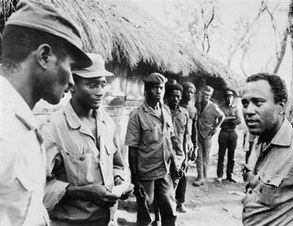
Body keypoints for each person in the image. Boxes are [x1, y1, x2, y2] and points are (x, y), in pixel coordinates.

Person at [0, 1, 92, 225]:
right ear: (44, 56)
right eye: (70, 67)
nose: (72, 81)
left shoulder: (21, 121)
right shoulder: (4, 124)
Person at [41, 53, 132, 226]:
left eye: (103, 84)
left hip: (108, 221)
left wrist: (120, 181)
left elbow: (117, 164)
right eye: (92, 85)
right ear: (72, 86)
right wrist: (81, 192)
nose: (100, 92)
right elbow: (37, 188)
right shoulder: (52, 128)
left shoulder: (108, 123)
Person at [241, 73, 293, 226]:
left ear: (281, 106)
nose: (248, 111)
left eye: (258, 102)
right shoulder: (260, 141)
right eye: (245, 103)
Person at [125, 72, 177, 226]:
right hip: (146, 173)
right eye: (154, 88)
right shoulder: (137, 116)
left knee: (170, 210)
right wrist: (135, 180)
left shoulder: (166, 111)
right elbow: (132, 150)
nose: (159, 91)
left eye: (161, 88)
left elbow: (170, 139)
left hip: (164, 170)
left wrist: (174, 161)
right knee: (145, 214)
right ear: (146, 91)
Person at [193, 86, 225, 186]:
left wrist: (216, 128)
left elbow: (222, 116)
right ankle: (200, 177)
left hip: (207, 135)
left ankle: (204, 176)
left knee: (205, 157)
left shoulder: (213, 106)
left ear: (210, 96)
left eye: (208, 94)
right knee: (198, 156)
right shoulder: (197, 104)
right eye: (204, 94)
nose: (205, 96)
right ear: (201, 94)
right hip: (198, 133)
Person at [166, 80, 190, 213]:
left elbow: (186, 134)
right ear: (168, 97)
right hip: (165, 151)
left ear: (181, 97)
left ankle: (180, 203)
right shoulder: (163, 112)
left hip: (180, 151)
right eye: (172, 96)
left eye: (178, 96)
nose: (175, 99)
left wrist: (186, 155)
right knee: (166, 178)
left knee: (182, 176)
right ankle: (164, 205)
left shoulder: (184, 113)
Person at [216, 90, 242, 183]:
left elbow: (239, 120)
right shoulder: (221, 108)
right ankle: (219, 175)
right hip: (224, 132)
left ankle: (229, 175)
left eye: (230, 97)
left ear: (233, 98)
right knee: (221, 155)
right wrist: (231, 119)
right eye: (227, 96)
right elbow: (219, 120)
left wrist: (227, 120)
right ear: (225, 98)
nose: (229, 98)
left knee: (232, 156)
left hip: (233, 133)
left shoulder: (235, 108)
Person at [179, 82, 198, 162]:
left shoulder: (193, 109)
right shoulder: (177, 107)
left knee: (185, 165)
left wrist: (195, 146)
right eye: (187, 92)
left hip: (188, 141)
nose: (189, 94)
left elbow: (194, 129)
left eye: (192, 92)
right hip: (178, 141)